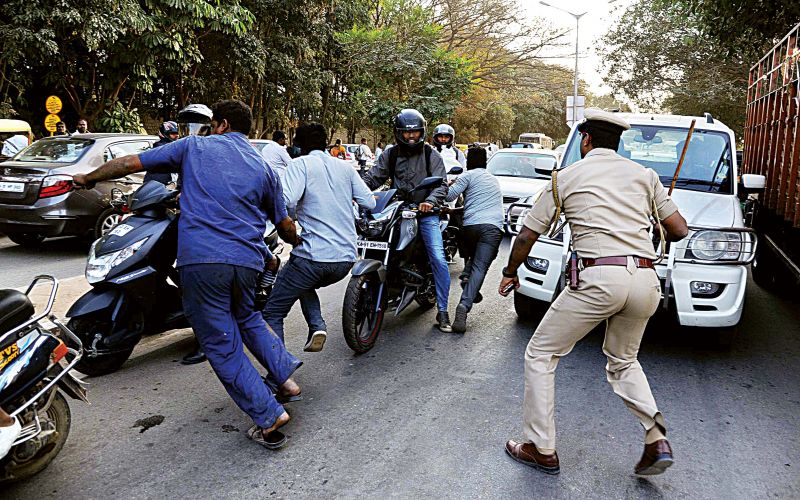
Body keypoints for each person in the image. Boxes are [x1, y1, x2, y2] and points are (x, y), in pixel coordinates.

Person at [73, 100, 304, 450]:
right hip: (248, 262)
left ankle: (268, 415)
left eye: (212, 124)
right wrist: (297, 239)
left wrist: (87, 178)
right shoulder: (263, 166)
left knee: (219, 343)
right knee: (246, 316)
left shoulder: (194, 146)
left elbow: (129, 163)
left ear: (222, 124)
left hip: (204, 261)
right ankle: (286, 381)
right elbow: (284, 224)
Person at [498, 108, 689, 475]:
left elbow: (526, 235)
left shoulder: (566, 176)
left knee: (541, 353)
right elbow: (679, 230)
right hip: (646, 281)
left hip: (599, 278)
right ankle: (655, 436)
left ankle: (541, 447)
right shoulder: (645, 176)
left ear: (585, 139)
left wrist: (510, 272)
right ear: (618, 143)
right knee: (623, 361)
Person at [263, 123, 376, 351]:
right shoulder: (345, 168)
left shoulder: (300, 164)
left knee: (273, 311)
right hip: (344, 260)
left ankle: (278, 375)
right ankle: (316, 325)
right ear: (326, 143)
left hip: (314, 258)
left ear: (298, 145)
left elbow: (284, 202)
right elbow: (370, 202)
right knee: (298, 278)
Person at [363, 108, 452, 332]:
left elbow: (441, 184)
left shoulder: (432, 155)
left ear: (422, 132)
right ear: (398, 133)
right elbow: (374, 178)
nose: (411, 138)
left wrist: (430, 202)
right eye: (406, 134)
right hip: (396, 209)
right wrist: (356, 191)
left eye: (415, 133)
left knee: (438, 259)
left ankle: (443, 311)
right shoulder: (390, 154)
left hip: (425, 212)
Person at [445, 146, 503, 333]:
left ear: (468, 161)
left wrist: (448, 184)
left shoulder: (467, 175)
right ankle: (463, 305)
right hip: (493, 228)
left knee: (473, 262)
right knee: (481, 265)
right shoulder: (493, 179)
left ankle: (467, 279)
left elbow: (448, 196)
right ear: (485, 161)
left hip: (470, 228)